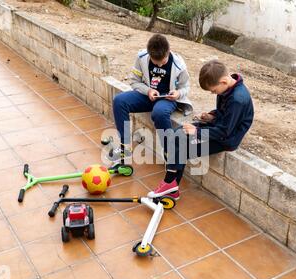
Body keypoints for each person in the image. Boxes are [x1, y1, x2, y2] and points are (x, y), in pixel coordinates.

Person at [147, 60, 254, 200]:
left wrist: (196, 132)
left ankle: (170, 184)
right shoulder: (228, 88)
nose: (213, 93)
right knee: (177, 133)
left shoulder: (238, 99)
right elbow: (225, 114)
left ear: (223, 81)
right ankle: (171, 186)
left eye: (213, 91)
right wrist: (211, 116)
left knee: (183, 145)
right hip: (217, 128)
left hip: (225, 139)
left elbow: (225, 131)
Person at [109, 33, 193, 164]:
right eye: (155, 62)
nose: (159, 65)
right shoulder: (141, 57)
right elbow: (135, 82)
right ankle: (124, 147)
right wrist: (148, 90)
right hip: (147, 95)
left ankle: (170, 151)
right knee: (119, 101)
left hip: (167, 99)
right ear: (149, 54)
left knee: (159, 113)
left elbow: (186, 87)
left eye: (162, 62)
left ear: (168, 52)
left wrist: (177, 93)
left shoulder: (179, 65)